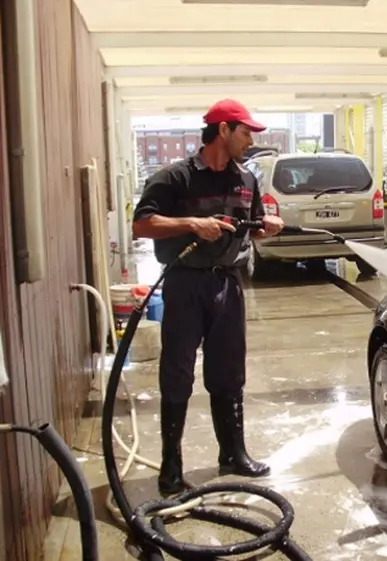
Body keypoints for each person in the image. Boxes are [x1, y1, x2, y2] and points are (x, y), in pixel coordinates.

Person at [132, 99, 285, 496]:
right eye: (245, 132)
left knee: (229, 371)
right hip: (185, 284)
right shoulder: (174, 177)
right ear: (223, 130)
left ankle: (233, 454)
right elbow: (142, 224)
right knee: (178, 372)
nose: (250, 140)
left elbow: (248, 225)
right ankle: (171, 467)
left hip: (228, 285)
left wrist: (264, 227)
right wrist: (192, 224)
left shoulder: (246, 179)